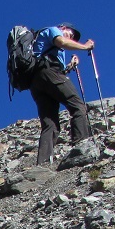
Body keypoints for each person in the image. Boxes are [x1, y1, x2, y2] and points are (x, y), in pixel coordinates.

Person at [29, 23, 96, 165]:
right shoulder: (53, 30)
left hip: (36, 81)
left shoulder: (46, 45)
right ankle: (81, 145)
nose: (70, 37)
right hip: (49, 73)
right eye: (70, 34)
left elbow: (56, 71)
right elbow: (62, 42)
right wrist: (85, 46)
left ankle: (43, 163)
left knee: (50, 123)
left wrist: (70, 65)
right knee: (78, 106)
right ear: (63, 27)